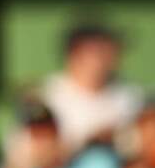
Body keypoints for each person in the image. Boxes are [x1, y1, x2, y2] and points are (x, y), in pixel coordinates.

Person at [41, 25, 143, 156]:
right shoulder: (48, 97)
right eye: (99, 52)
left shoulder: (130, 97)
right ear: (74, 56)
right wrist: (89, 141)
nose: (109, 58)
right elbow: (34, 156)